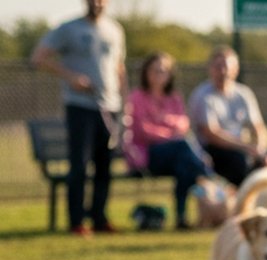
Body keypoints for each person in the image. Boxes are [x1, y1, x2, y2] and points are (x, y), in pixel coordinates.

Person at [30, 0, 126, 236]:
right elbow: (38, 58)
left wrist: (124, 101)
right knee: (80, 165)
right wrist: (70, 77)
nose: (96, 3)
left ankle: (99, 217)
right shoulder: (68, 29)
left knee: (104, 166)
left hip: (110, 106)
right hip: (80, 106)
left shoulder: (115, 29)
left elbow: (119, 67)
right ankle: (77, 221)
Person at [124, 52, 214, 230]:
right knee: (184, 149)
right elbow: (143, 130)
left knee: (185, 166)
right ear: (146, 73)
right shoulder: (137, 97)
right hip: (148, 155)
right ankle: (208, 174)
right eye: (155, 70)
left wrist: (166, 126)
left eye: (163, 70)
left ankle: (181, 219)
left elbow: (183, 124)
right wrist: (170, 131)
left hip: (176, 156)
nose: (159, 74)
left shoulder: (174, 97)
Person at [188, 46, 267, 186]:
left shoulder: (244, 93)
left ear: (235, 69)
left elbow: (258, 127)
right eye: (218, 66)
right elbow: (212, 134)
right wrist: (247, 148)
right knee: (241, 161)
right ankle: (243, 201)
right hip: (213, 151)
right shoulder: (203, 95)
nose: (223, 71)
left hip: (244, 147)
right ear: (210, 69)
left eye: (227, 66)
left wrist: (260, 151)